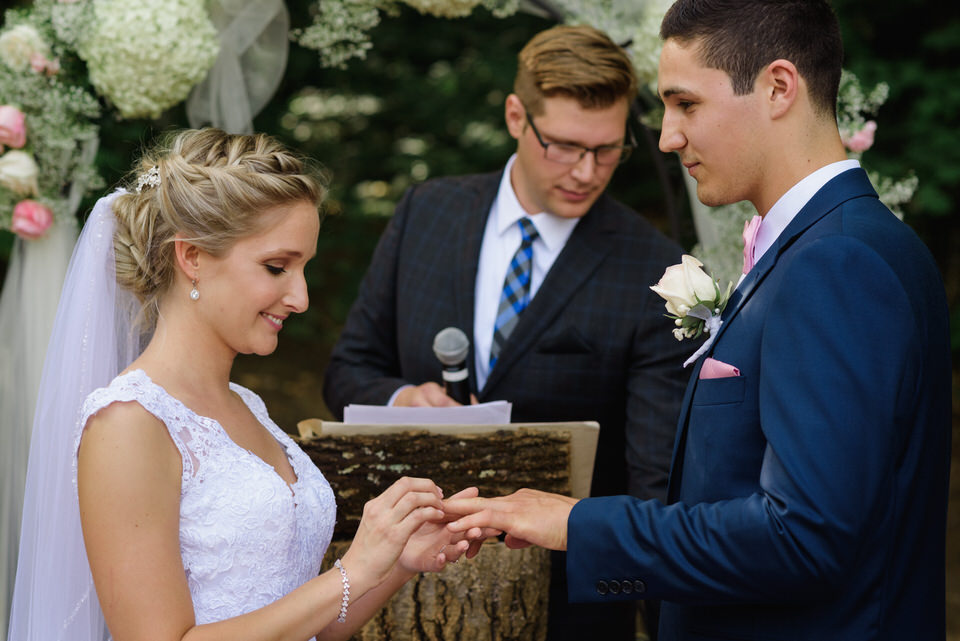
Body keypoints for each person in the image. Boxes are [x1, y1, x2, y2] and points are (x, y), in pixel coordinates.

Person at [445, 1, 953, 640]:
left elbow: (803, 538)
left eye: (686, 104)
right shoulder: (827, 246)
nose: (666, 136)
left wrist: (577, 525)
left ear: (777, 87)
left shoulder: (838, 263)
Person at [7, 128, 478, 641]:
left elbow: (308, 623)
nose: (299, 297)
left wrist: (396, 564)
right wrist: (353, 571)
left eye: (304, 269)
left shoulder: (247, 406)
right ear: (191, 257)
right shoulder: (128, 423)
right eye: (276, 267)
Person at [322, 23, 691, 640]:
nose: (587, 171)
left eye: (607, 150)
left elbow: (652, 481)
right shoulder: (427, 213)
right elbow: (346, 371)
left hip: (567, 607)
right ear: (517, 117)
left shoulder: (653, 266)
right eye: (566, 146)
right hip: (403, 592)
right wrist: (400, 399)